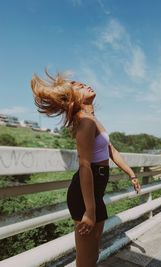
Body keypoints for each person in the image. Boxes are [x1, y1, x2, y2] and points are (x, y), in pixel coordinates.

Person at [30, 69, 141, 267]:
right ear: (73, 98)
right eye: (79, 87)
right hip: (84, 194)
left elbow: (111, 151)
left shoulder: (93, 119)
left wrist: (131, 174)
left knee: (93, 253)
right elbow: (84, 166)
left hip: (95, 189)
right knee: (86, 258)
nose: (85, 85)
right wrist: (89, 211)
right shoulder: (86, 122)